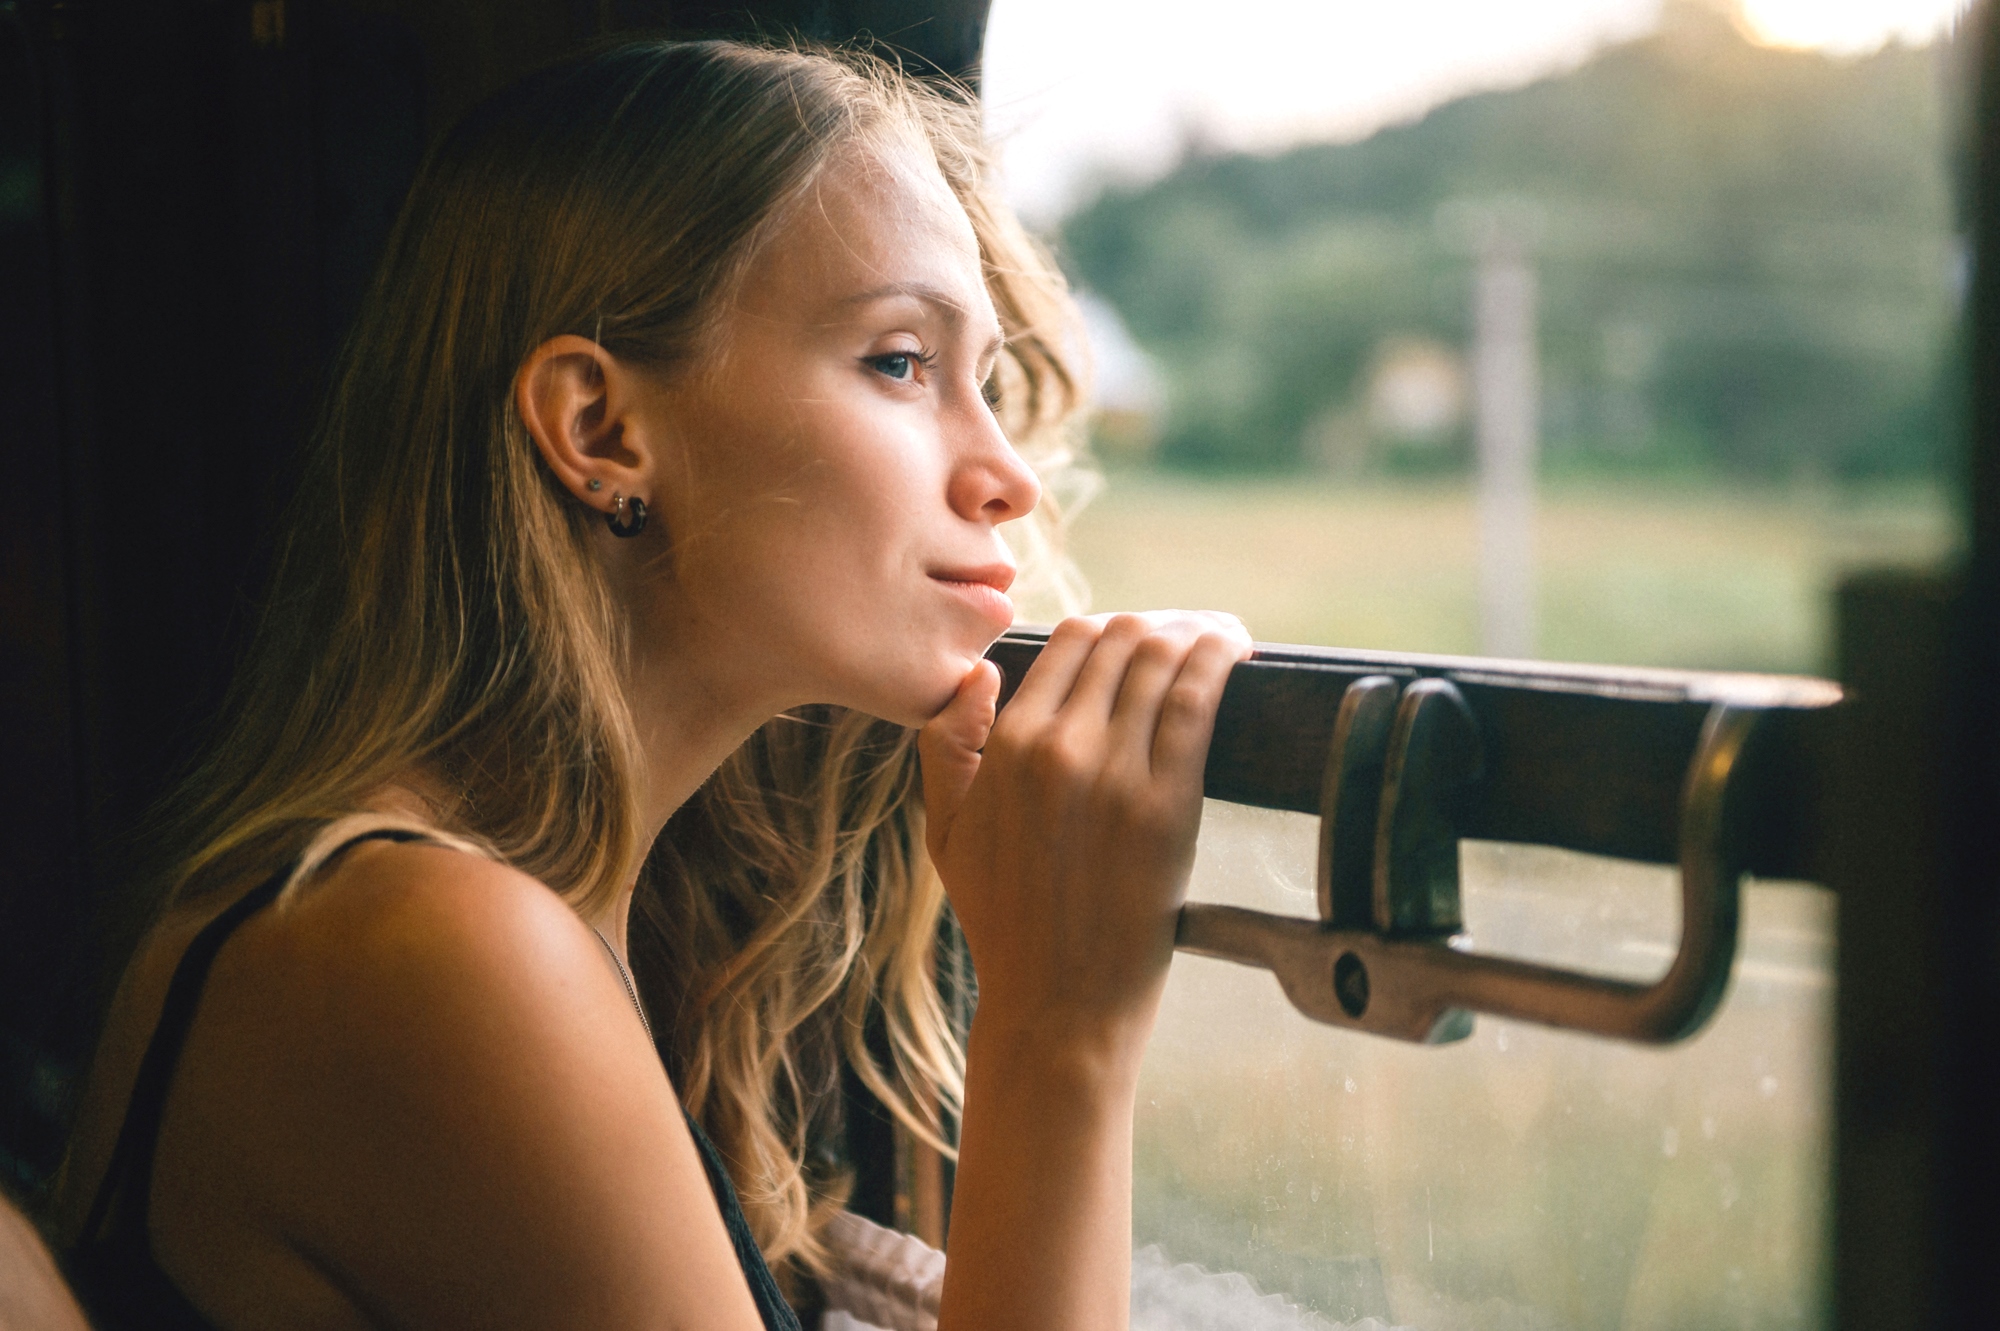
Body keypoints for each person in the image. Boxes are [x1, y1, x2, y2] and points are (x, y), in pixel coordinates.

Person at [48, 37, 1250, 1330]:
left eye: (991, 382)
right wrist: (1059, 1024)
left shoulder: (541, 919)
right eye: (900, 361)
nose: (1007, 473)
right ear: (601, 431)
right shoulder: (425, 945)